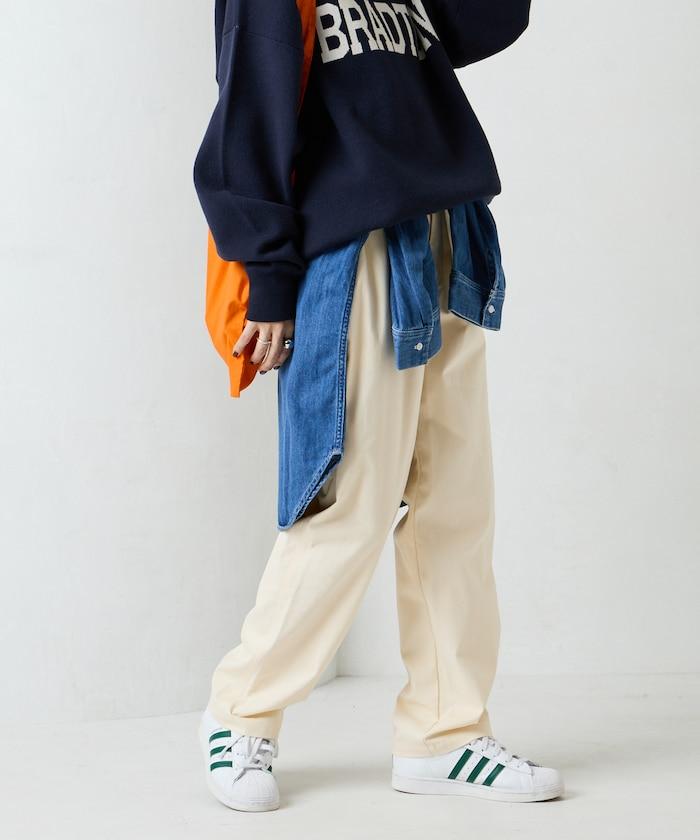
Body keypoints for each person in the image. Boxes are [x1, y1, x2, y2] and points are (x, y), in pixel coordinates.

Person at [192, 0, 564, 812]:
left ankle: (445, 731)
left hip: (447, 225)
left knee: (455, 506)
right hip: (353, 245)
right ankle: (240, 709)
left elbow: (486, 22)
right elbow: (247, 114)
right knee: (350, 504)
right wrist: (269, 275)